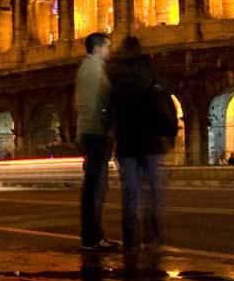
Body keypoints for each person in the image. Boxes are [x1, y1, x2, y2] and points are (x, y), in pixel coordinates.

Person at [107, 36, 176, 249]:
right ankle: (153, 236)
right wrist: (168, 133)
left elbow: (109, 112)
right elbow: (164, 105)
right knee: (154, 192)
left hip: (127, 143)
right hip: (151, 141)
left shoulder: (113, 76)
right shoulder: (151, 72)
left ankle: (130, 240)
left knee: (131, 193)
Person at [74, 32, 116, 250]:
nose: (110, 50)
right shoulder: (94, 70)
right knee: (95, 187)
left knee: (94, 186)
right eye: (108, 46)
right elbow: (96, 104)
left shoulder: (87, 68)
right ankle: (92, 238)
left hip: (91, 132)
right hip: (96, 133)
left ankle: (92, 236)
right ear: (98, 48)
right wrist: (105, 126)